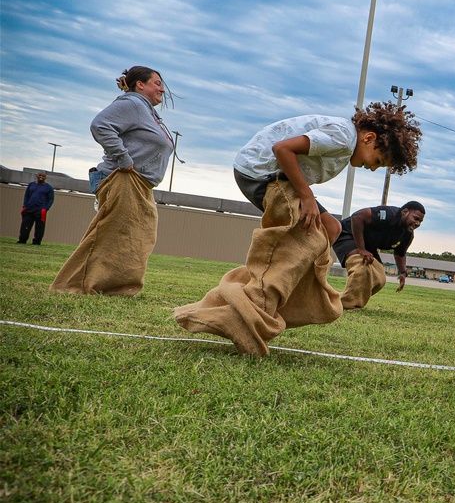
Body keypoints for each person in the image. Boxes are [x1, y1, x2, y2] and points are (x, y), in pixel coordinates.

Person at [174, 103, 421, 356]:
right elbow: (282, 149)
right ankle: (242, 316)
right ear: (369, 138)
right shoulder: (343, 138)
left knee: (331, 229)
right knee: (307, 242)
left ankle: (285, 297)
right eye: (377, 160)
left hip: (274, 176)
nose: (372, 168)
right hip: (262, 174)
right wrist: (307, 196)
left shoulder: (344, 142)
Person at [51, 67, 175, 295]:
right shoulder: (134, 104)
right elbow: (101, 125)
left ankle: (113, 286)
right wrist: (123, 158)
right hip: (124, 179)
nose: (162, 89)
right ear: (140, 85)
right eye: (157, 83)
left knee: (137, 238)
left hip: (140, 184)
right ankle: (73, 285)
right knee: (110, 234)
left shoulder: (144, 110)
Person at [333, 201, 426, 310]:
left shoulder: (407, 235)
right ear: (405, 212)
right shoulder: (388, 214)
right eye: (416, 218)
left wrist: (403, 273)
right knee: (362, 265)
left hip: (368, 246)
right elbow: (357, 216)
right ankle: (347, 304)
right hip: (348, 234)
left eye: (420, 221)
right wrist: (361, 249)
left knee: (380, 278)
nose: (417, 223)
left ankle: (341, 299)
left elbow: (400, 253)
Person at [18, 171, 55, 245]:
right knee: (25, 225)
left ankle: (36, 242)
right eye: (40, 175)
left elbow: (51, 199)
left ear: (45, 178)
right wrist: (25, 206)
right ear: (37, 176)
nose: (41, 177)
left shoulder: (49, 188)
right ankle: (22, 240)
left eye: (43, 176)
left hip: (41, 210)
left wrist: (46, 208)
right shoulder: (31, 185)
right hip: (29, 208)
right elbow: (27, 196)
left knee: (39, 227)